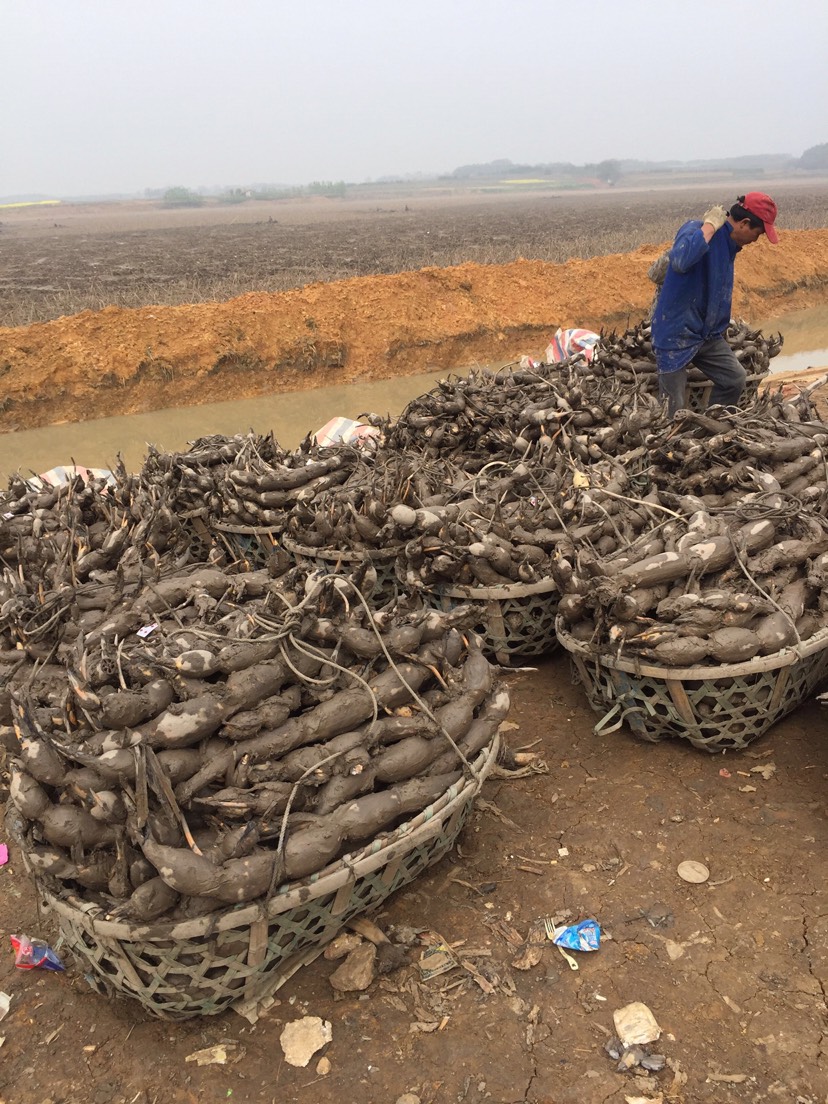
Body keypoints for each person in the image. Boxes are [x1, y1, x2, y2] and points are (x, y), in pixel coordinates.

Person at [651, 192, 779, 416]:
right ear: (744, 223)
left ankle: (708, 429)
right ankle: (668, 446)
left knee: (734, 378)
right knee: (674, 407)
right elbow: (680, 261)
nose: (755, 241)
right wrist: (710, 226)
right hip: (676, 333)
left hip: (706, 335)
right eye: (757, 234)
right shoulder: (696, 230)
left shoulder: (730, 245)